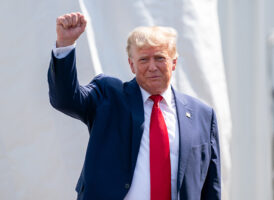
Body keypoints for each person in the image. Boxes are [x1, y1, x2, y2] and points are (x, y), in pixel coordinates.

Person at [48, 12, 221, 200]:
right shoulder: (108, 95)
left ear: (174, 63)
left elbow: (210, 186)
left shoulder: (202, 115)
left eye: (160, 58)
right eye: (144, 60)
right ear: (132, 65)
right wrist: (65, 45)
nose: (152, 67)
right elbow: (65, 99)